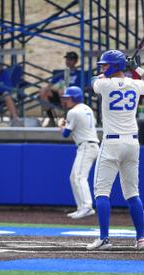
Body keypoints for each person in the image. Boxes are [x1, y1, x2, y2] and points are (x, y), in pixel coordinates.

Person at [86, 50, 144, 251]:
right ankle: (141, 238)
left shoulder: (104, 83)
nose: (102, 68)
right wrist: (136, 68)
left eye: (105, 65)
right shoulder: (135, 83)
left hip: (111, 143)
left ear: (114, 67)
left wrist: (109, 73)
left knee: (101, 192)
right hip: (132, 143)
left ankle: (104, 238)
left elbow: (92, 80)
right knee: (132, 193)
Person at [59, 86, 99, 219]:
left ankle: (87, 207)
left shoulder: (73, 112)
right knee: (74, 177)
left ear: (75, 98)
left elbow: (65, 133)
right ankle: (81, 207)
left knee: (79, 177)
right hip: (89, 145)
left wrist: (61, 125)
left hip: (87, 146)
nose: (66, 100)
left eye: (68, 98)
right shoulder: (87, 108)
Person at [39, 51, 81, 127]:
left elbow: (84, 87)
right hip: (57, 95)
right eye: (67, 59)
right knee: (43, 91)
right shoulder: (61, 73)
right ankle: (51, 119)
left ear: (76, 61)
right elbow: (50, 85)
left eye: (71, 59)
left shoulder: (80, 74)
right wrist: (47, 89)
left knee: (62, 91)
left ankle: (66, 119)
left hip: (72, 97)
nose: (68, 61)